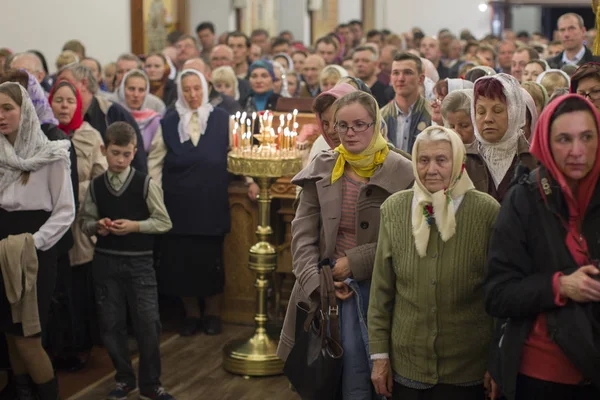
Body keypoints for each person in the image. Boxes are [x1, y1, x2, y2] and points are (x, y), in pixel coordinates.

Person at [279, 91, 414, 398]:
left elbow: (407, 238)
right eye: (342, 125)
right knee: (322, 378)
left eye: (359, 124)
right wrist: (319, 282)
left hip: (379, 287)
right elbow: (302, 236)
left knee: (363, 373)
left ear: (377, 126)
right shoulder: (324, 166)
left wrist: (356, 262)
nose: (350, 132)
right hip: (324, 289)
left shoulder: (402, 170)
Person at [368, 126, 500, 400]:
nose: (431, 169)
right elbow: (381, 292)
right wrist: (380, 357)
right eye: (423, 160)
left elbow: (499, 296)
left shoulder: (487, 211)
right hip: (408, 364)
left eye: (442, 159)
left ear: (458, 162)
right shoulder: (394, 209)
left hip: (468, 367)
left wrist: (498, 361)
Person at [484, 94, 600, 399]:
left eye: (587, 137)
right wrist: (560, 286)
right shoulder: (524, 199)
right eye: (564, 139)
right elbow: (498, 294)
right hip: (541, 375)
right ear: (546, 143)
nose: (577, 151)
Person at [79, 122, 174, 400]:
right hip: (105, 262)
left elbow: (164, 221)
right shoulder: (96, 187)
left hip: (140, 264)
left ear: (135, 152)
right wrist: (98, 225)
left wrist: (135, 226)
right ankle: (123, 379)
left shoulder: (144, 183)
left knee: (148, 323)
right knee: (110, 324)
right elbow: (84, 222)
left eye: (127, 154)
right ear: (103, 150)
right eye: (115, 153)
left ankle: (151, 383)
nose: (120, 160)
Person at [0, 82, 75, 399]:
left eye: (7, 108)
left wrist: (34, 243)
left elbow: (65, 211)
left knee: (28, 337)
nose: (1, 115)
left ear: (24, 111)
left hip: (33, 251)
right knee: (9, 334)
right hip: (2, 247)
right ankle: (22, 393)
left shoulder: (51, 154)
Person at [158, 69, 231, 337]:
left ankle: (212, 313)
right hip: (178, 203)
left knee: (211, 261)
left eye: (197, 88)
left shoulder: (222, 118)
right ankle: (191, 315)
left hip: (210, 200)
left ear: (205, 89)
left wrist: (251, 180)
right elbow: (156, 160)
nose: (192, 94)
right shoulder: (168, 121)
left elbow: (236, 151)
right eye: (186, 89)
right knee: (182, 262)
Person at [49, 80, 107, 369]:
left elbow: (101, 178)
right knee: (57, 289)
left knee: (79, 289)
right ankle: (59, 347)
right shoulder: (44, 137)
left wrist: (71, 190)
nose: (63, 106)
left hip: (81, 223)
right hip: (51, 223)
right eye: (58, 100)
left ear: (78, 106)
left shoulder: (90, 135)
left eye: (69, 101)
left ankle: (81, 346)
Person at [57, 63, 149, 173]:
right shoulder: (57, 114)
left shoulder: (112, 112)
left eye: (65, 81)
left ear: (84, 83)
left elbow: (138, 161)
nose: (59, 86)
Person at [467, 73, 536, 201]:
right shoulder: (462, 161)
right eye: (481, 112)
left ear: (514, 112)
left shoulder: (534, 161)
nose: (488, 119)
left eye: (497, 111)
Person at [116, 70, 166, 185]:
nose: (136, 95)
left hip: (147, 180)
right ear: (123, 90)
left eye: (141, 90)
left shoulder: (155, 120)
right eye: (131, 89)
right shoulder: (114, 115)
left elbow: (157, 160)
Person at [381, 52, 432, 153]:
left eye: (407, 72)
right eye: (396, 73)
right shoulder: (380, 117)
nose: (400, 79)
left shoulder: (432, 115)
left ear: (421, 79)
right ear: (391, 78)